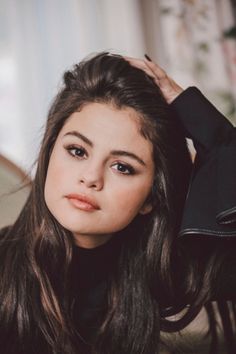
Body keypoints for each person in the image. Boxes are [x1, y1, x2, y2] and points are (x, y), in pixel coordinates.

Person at [0, 52, 235, 354]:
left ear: (150, 198)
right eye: (77, 151)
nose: (91, 177)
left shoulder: (161, 269)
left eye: (122, 167)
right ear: (50, 153)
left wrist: (214, 132)